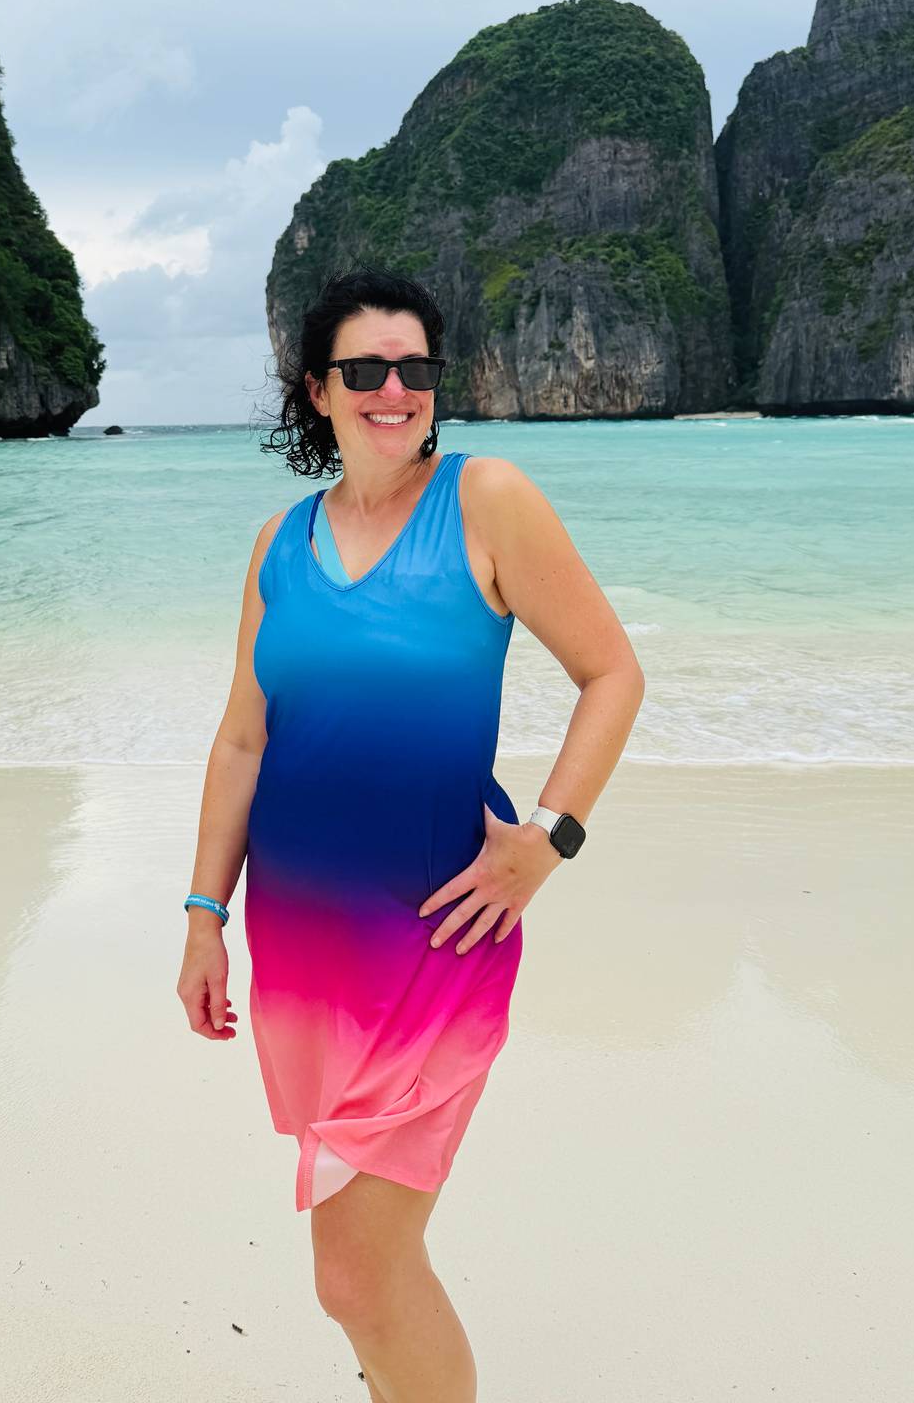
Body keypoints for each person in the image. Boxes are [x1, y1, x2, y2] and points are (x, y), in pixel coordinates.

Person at [177, 268, 644, 1400]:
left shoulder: (486, 501)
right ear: (317, 390)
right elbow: (242, 740)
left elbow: (612, 673)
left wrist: (549, 836)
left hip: (435, 941)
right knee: (361, 1269)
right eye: (366, 370)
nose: (395, 389)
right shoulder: (279, 543)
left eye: (415, 367)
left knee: (355, 1273)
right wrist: (203, 915)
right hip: (304, 954)